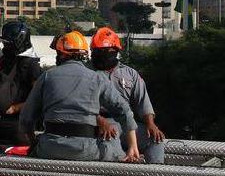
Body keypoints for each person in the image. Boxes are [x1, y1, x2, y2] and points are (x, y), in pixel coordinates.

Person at [18, 31, 141, 163]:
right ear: (83, 54)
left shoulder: (47, 76)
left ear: (62, 54)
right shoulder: (97, 78)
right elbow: (124, 110)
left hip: (50, 148)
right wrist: (133, 146)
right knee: (115, 149)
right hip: (86, 150)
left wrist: (34, 143)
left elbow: (26, 118)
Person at [89, 27, 166, 164]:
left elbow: (143, 102)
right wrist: (99, 120)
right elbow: (81, 105)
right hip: (102, 124)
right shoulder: (87, 74)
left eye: (102, 52)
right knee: (109, 144)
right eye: (95, 52)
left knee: (156, 139)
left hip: (129, 124)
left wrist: (151, 124)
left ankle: (155, 175)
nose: (98, 55)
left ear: (115, 51)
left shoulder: (130, 74)